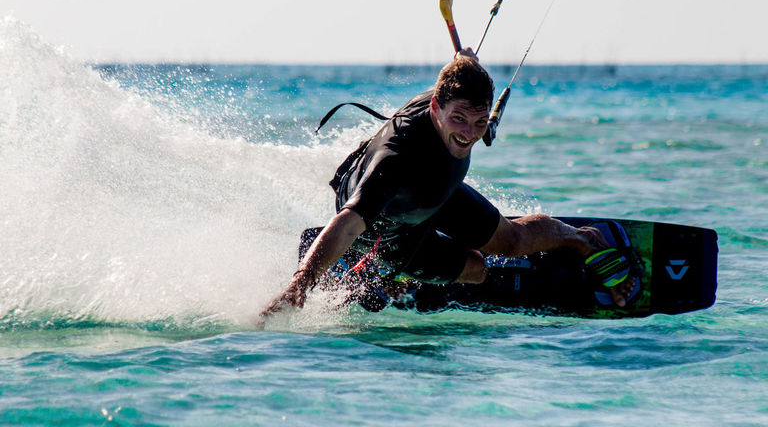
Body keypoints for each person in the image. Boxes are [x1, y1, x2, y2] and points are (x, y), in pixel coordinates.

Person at [262, 52, 636, 318]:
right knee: (476, 269)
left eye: (480, 122)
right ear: (435, 108)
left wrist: (467, 60)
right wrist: (300, 283)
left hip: (436, 195)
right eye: (459, 119)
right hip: (387, 228)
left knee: (514, 242)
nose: (469, 134)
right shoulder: (395, 162)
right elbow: (347, 222)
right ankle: (398, 275)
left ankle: (583, 239)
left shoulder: (453, 95)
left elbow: (461, 68)